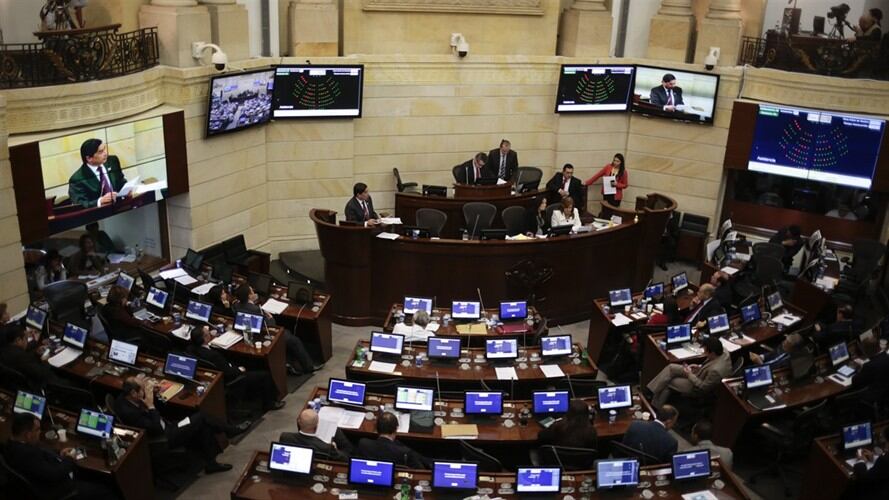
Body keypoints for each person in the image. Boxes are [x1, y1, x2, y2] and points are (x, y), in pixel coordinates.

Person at [113, 376, 245, 474]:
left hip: (167, 425)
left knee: (203, 425)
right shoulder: (130, 412)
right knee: (201, 417)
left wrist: (154, 394)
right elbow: (156, 429)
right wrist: (151, 405)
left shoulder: (126, 398)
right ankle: (230, 431)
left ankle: (211, 463)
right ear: (134, 393)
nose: (147, 391)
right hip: (164, 437)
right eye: (144, 389)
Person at [3, 413, 118, 499]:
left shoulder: (10, 445)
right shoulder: (27, 455)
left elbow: (41, 458)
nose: (40, 432)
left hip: (42, 479)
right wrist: (69, 458)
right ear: (28, 435)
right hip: (60, 491)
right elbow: (54, 474)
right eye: (37, 430)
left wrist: (58, 454)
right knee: (106, 490)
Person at [185, 325, 285, 411]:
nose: (210, 333)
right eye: (208, 333)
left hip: (218, 372)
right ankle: (269, 403)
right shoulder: (213, 355)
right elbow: (229, 372)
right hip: (231, 378)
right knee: (265, 375)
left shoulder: (190, 349)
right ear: (205, 338)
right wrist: (239, 369)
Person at [232, 283, 322, 375]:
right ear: (249, 295)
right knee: (294, 340)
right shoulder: (255, 309)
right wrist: (270, 317)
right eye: (252, 291)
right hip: (261, 336)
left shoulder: (236, 305)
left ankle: (289, 362)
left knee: (288, 333)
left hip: (246, 333)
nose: (254, 292)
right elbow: (270, 327)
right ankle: (308, 367)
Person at [646, 337, 730, 409]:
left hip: (695, 387)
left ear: (712, 352)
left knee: (668, 381)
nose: (704, 353)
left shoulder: (716, 370)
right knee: (671, 367)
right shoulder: (724, 352)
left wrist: (689, 374)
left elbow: (703, 387)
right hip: (698, 373)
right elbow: (710, 363)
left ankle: (656, 407)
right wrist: (699, 366)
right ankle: (651, 391)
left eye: (705, 351)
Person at [68, 138, 130, 208]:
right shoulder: (77, 179)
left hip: (120, 207)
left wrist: (128, 189)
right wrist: (100, 201)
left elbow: (121, 181)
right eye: (100, 152)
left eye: (104, 149)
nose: (105, 153)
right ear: (89, 158)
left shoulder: (112, 161)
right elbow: (79, 204)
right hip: (98, 215)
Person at [357, 412, 431, 469]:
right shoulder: (405, 453)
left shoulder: (363, 443)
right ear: (396, 428)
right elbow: (420, 470)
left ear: (376, 428)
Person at [0, 325, 64, 390]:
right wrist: (45, 361)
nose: (27, 342)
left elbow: (27, 363)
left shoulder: (4, 350)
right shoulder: (21, 357)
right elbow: (41, 374)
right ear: (18, 340)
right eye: (26, 339)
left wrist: (36, 354)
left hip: (16, 383)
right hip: (39, 384)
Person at [279, 409, 353, 461]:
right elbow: (346, 458)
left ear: (299, 422)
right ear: (317, 425)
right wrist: (335, 449)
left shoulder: (285, 437)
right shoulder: (327, 448)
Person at [851, 335, 889, 406]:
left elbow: (855, 381)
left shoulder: (869, 366)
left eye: (864, 350)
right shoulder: (886, 357)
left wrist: (859, 370)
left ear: (868, 351)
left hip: (875, 395)